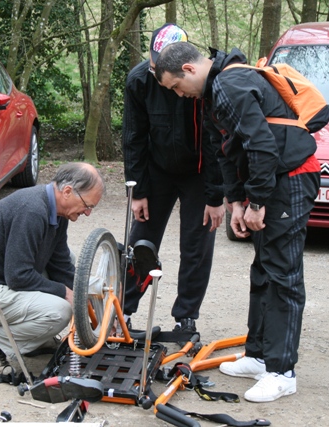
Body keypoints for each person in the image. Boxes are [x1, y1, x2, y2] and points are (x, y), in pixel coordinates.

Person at [154, 43, 322, 402]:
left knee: (282, 275)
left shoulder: (230, 84)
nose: (178, 95)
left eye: (174, 86)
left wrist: (257, 201)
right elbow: (226, 149)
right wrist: (234, 201)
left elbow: (262, 145)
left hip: (290, 179)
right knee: (263, 269)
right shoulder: (215, 93)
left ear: (188, 68)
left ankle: (282, 372)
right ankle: (259, 355)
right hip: (270, 181)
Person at [0, 162, 105, 382]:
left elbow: (61, 265)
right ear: (68, 191)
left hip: (4, 281)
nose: (88, 213)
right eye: (87, 205)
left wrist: (87, 299)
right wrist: (66, 292)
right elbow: (18, 276)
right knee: (59, 311)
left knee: (72, 270)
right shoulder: (32, 211)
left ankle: (37, 337)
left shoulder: (57, 212)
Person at [121, 24, 225, 336]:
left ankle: (185, 317)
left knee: (196, 246)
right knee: (139, 243)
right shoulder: (139, 81)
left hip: (198, 171)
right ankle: (123, 312)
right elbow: (134, 137)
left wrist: (215, 196)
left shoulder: (206, 82)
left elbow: (216, 142)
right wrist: (138, 190)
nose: (158, 74)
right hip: (158, 171)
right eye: (154, 66)